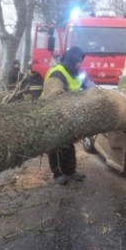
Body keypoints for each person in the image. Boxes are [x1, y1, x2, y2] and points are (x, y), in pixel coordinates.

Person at [40, 46, 89, 185]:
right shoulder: (57, 73)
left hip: (67, 113)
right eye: (78, 61)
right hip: (51, 112)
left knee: (68, 143)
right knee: (55, 145)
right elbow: (56, 95)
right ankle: (57, 174)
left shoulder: (75, 73)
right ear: (72, 61)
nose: (80, 64)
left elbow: (85, 88)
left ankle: (70, 171)